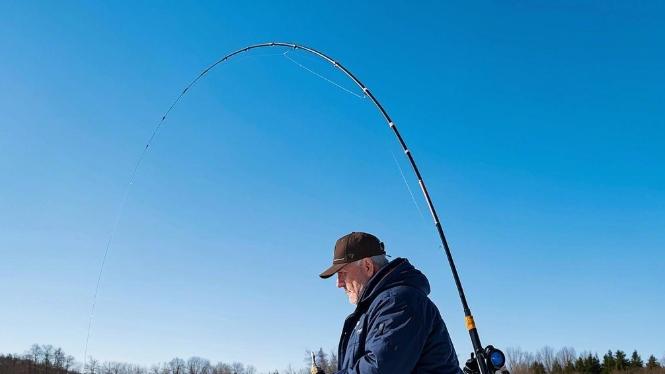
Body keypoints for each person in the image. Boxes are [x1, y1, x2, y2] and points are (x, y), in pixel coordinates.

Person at [314, 231, 463, 374]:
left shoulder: (399, 301)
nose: (339, 284)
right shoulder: (374, 309)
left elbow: (380, 368)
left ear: (367, 266)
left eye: (343, 274)